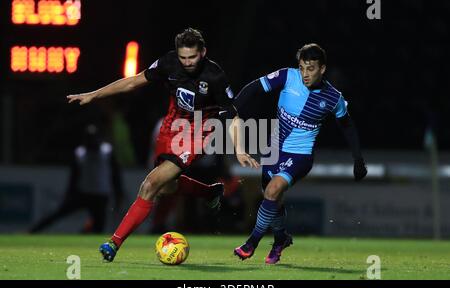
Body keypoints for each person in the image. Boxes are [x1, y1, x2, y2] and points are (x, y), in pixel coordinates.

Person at [67, 28, 235, 262]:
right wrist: (95, 94)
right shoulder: (168, 62)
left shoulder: (215, 75)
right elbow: (133, 82)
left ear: (203, 52)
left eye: (192, 57)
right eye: (183, 57)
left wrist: (241, 147)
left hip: (198, 132)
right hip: (169, 129)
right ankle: (210, 191)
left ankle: (113, 243)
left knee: (150, 184)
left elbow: (232, 114)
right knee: (167, 187)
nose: (187, 63)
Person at [230, 43, 368, 264]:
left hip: (300, 155)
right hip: (273, 149)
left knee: (273, 190)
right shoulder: (287, 76)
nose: (305, 74)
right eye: (302, 67)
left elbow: (347, 125)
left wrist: (358, 159)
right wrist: (234, 107)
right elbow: (255, 87)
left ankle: (251, 243)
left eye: (311, 68)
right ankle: (280, 239)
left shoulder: (333, 98)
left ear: (322, 69)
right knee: (271, 196)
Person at [29, 124, 124, 234]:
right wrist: (69, 193)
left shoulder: (107, 151)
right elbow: (74, 176)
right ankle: (32, 231)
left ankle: (84, 233)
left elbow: (115, 174)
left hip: (100, 196)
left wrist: (118, 192)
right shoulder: (80, 153)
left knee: (99, 227)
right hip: (83, 193)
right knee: (58, 213)